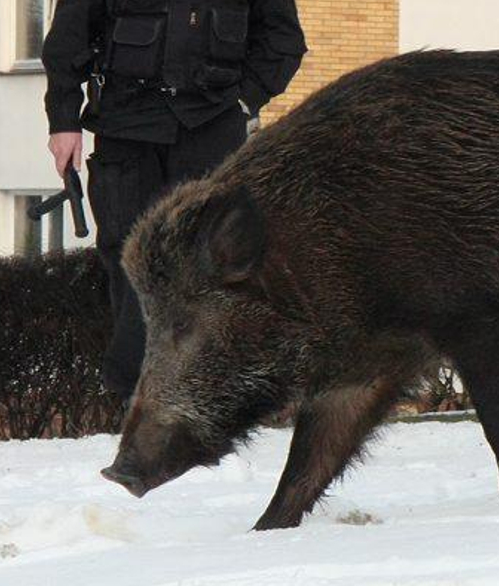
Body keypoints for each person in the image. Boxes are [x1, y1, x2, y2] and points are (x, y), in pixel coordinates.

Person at [42, 0, 306, 404]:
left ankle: (196, 397)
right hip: (126, 125)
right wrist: (63, 120)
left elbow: (284, 41)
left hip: (210, 127)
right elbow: (68, 39)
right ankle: (135, 397)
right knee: (128, 257)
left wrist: (244, 101)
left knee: (206, 264)